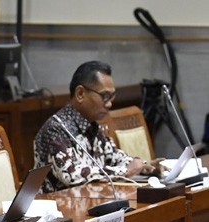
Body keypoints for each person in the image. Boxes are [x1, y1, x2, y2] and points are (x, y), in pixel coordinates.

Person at [34, 60, 162, 193]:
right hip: (59, 207)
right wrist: (125, 171)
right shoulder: (56, 129)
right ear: (80, 94)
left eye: (112, 97)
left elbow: (113, 156)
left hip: (91, 201)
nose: (109, 104)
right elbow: (72, 175)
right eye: (105, 96)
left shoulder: (91, 125)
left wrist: (144, 166)